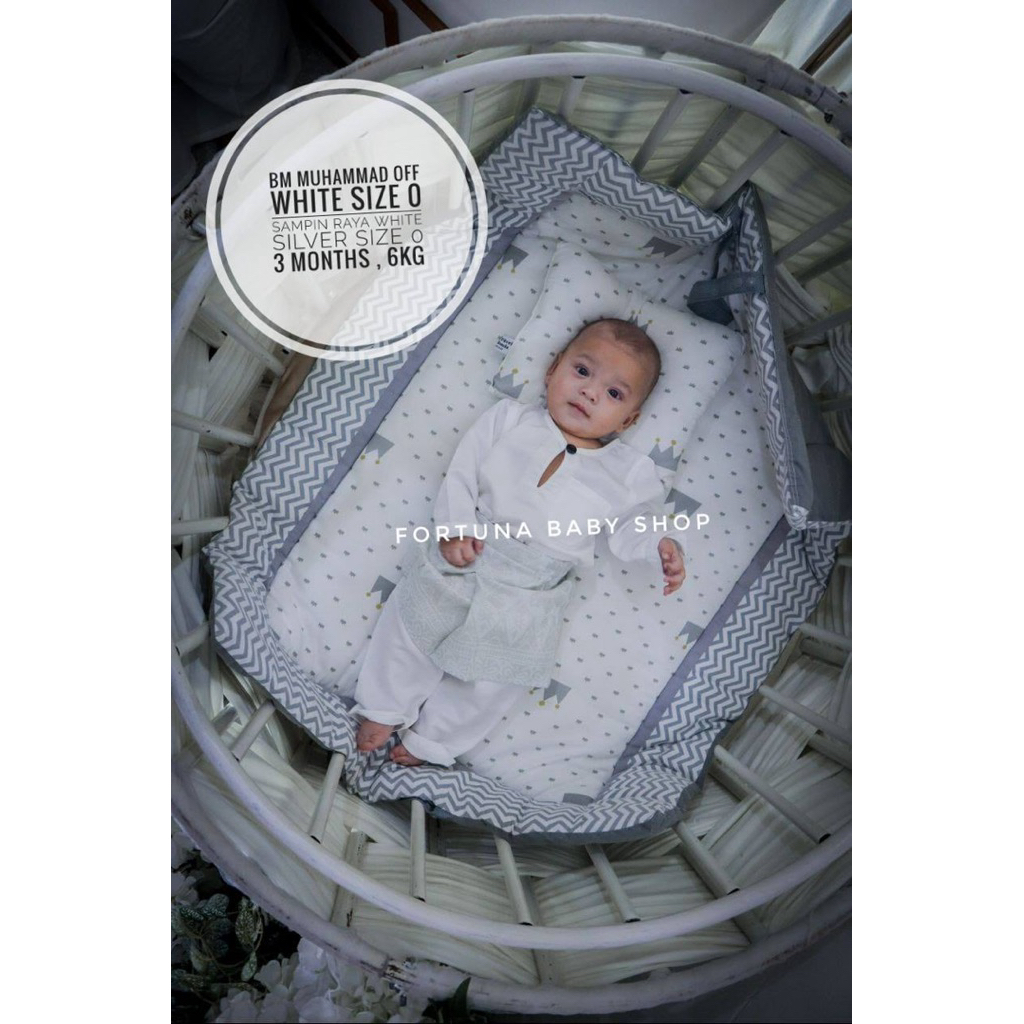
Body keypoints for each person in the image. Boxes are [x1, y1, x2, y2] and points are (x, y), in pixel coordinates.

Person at [353, 318, 687, 766]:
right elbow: (463, 472)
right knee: (411, 623)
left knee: (495, 676)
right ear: (552, 370)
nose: (589, 392)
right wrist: (455, 527)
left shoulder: (627, 473)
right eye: (582, 371)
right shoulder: (509, 419)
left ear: (628, 420)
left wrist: (659, 546)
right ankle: (384, 706)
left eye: (613, 393)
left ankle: (434, 739)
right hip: (471, 551)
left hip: (534, 588)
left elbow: (632, 526)